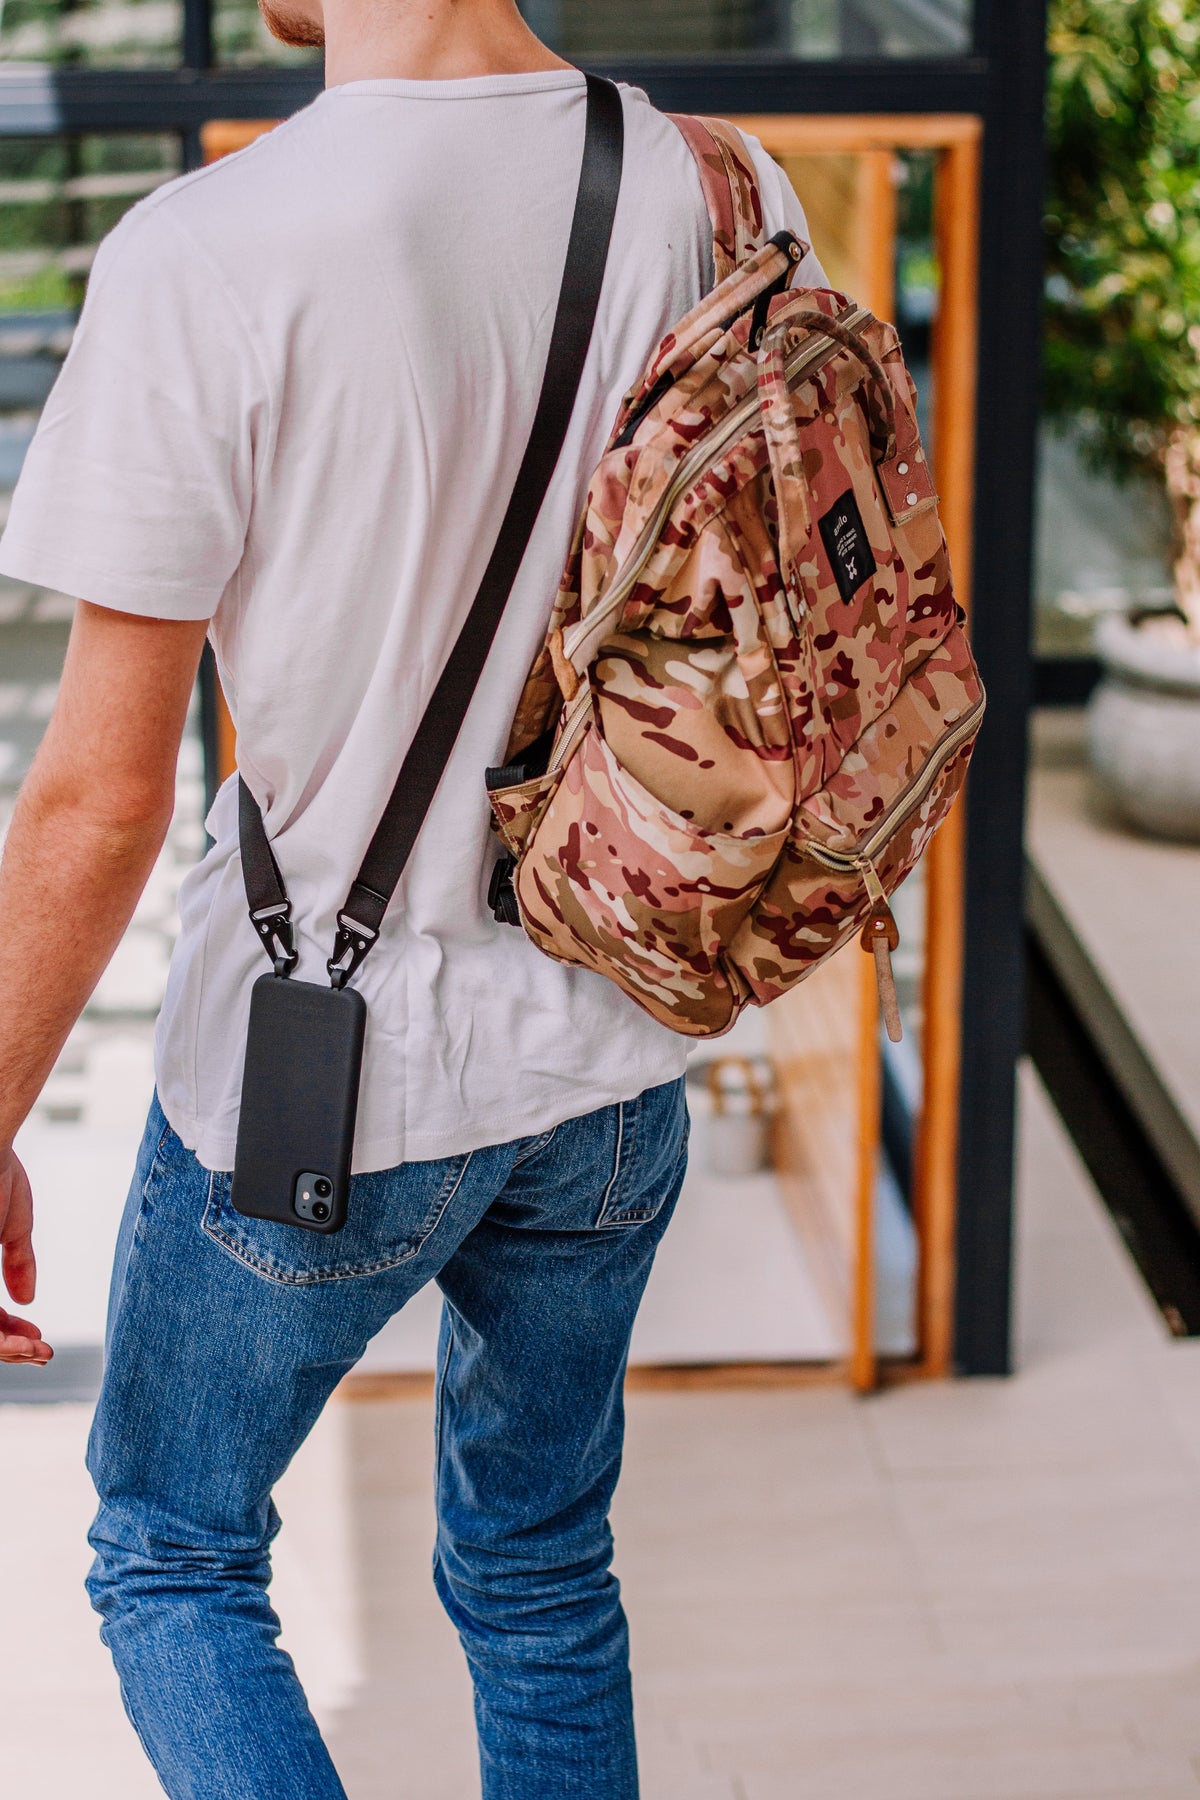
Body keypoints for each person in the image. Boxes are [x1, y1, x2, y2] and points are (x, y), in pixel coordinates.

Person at [0, 0, 820, 1791]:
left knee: (173, 1549)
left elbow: (95, 796)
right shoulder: (721, 185)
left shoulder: (205, 255)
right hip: (615, 1049)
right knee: (539, 1570)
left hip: (329, 1075)